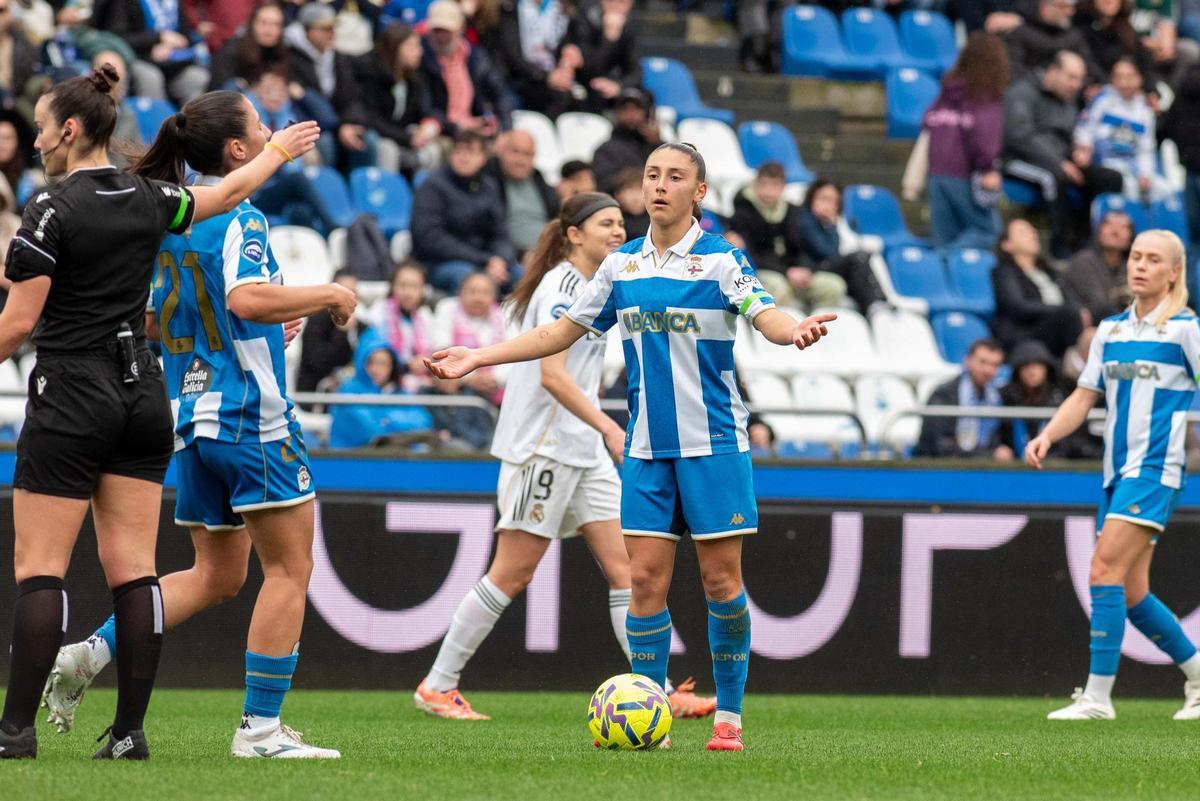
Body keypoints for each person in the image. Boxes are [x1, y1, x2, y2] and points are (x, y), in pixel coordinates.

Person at [423, 142, 836, 752]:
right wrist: (481, 354)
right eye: (651, 176)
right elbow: (560, 331)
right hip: (644, 449)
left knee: (721, 584)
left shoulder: (722, 261)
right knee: (643, 581)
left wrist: (791, 330)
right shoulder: (621, 268)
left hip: (714, 445)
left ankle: (730, 719)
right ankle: (653, 718)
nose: (660, 185)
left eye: (675, 177)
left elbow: (765, 313)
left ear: (699, 192)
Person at [0, 67, 320, 761]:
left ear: (66, 128)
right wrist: (322, 293)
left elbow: (109, 312)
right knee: (199, 570)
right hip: (198, 406)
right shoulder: (164, 202)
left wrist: (275, 312)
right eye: (258, 128)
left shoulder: (63, 208)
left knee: (194, 572)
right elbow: (241, 293)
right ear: (236, 150)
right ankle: (213, 730)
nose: (35, 137)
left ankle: (37, 706)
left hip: (161, 405)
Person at [415, 191, 716, 722]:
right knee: (511, 573)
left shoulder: (599, 283)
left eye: (621, 223)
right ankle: (437, 686)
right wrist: (607, 427)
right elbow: (553, 375)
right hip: (545, 448)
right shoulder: (563, 284)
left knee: (629, 571)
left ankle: (658, 689)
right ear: (574, 234)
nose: (618, 232)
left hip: (580, 451)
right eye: (606, 224)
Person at [1027, 229, 1200, 721]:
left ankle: (1098, 698)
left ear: (1173, 273)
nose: (1139, 266)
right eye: (1135, 257)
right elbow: (1084, 397)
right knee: (1131, 592)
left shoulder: (1186, 330)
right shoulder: (1111, 331)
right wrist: (1049, 436)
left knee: (1102, 570)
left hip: (1156, 471)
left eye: (1152, 260)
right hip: (1116, 473)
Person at [1002, 50, 1125, 257]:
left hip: (1060, 159)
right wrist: (1058, 162)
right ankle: (1060, 248)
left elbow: (1071, 135)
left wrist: (1079, 151)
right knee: (1053, 177)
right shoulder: (1022, 92)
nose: (1076, 85)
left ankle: (1088, 244)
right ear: (1053, 71)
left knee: (1110, 178)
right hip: (1019, 159)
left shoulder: (1069, 101)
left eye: (1079, 79)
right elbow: (1019, 137)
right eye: (1071, 77)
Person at [922, 32, 1008, 251]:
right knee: (990, 232)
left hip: (936, 173)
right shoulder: (986, 95)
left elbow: (927, 121)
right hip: (963, 175)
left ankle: (942, 264)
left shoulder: (946, 91)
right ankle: (944, 259)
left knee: (944, 240)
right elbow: (984, 136)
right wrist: (988, 167)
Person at [727, 161, 846, 310]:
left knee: (833, 286)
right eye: (764, 185)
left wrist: (804, 270)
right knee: (779, 287)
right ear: (756, 184)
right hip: (761, 272)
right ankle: (781, 332)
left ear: (783, 187)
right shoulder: (742, 213)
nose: (769, 192)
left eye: (774, 186)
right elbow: (749, 254)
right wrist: (786, 272)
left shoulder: (792, 212)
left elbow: (800, 247)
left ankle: (815, 329)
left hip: (792, 272)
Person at [411, 130, 518, 293]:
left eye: (471, 152)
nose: (464, 157)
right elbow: (430, 238)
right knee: (470, 280)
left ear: (483, 158)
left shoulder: (490, 187)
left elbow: (501, 234)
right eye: (459, 151)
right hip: (441, 263)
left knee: (522, 276)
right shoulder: (432, 186)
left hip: (486, 261)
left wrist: (500, 260)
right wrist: (484, 260)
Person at [285, 3, 375, 172]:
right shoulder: (290, 59)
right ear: (308, 30)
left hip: (337, 122)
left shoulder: (337, 57)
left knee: (368, 139)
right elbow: (304, 107)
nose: (331, 33)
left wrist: (348, 123)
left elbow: (351, 97)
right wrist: (338, 127)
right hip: (309, 125)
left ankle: (362, 192)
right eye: (325, 29)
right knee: (324, 142)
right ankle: (329, 193)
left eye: (333, 28)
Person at [1074, 57, 1173, 200]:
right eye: (1118, 77)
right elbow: (1084, 128)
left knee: (1165, 192)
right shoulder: (1102, 99)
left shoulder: (1145, 110)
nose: (1123, 82)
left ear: (1139, 78)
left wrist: (1145, 174)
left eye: (1129, 77)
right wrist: (1084, 149)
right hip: (1104, 163)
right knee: (1129, 190)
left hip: (1132, 167)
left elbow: (1146, 148)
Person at [353, 23, 439, 177]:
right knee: (388, 149)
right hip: (379, 137)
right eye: (412, 47)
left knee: (432, 150)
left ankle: (425, 196)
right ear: (395, 48)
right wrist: (408, 138)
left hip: (403, 135)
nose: (419, 52)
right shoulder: (371, 75)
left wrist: (427, 128)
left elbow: (423, 112)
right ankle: (388, 197)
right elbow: (372, 119)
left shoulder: (414, 79)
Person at [992, 218, 1087, 357]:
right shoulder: (1004, 271)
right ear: (1007, 245)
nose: (1033, 234)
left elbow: (1070, 295)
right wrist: (1062, 310)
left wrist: (1080, 310)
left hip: (1062, 324)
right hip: (1027, 331)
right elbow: (1018, 307)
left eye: (1032, 230)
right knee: (1069, 315)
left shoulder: (1049, 271)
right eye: (1023, 232)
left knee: (1102, 313)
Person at [420, 0, 513, 137]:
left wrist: (503, 126)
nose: (441, 37)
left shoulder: (476, 57)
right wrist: (456, 126)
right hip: (443, 131)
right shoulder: (422, 60)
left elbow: (500, 94)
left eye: (446, 31)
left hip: (476, 126)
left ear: (460, 28)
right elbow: (425, 107)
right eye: (436, 30)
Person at [92, 0, 211, 106]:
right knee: (151, 77)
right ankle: (156, 127)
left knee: (197, 77)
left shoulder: (174, 3)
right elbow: (118, 38)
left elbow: (186, 36)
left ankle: (191, 127)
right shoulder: (123, 3)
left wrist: (170, 46)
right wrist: (157, 38)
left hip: (173, 62)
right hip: (139, 57)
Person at [796, 179, 888, 314]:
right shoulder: (804, 220)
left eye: (834, 202)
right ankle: (872, 304)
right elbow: (826, 251)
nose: (828, 205)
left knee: (862, 258)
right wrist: (832, 226)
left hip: (822, 266)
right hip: (809, 269)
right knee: (857, 259)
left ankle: (876, 302)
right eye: (824, 199)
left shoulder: (824, 224)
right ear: (812, 198)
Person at [329, 331, 434, 448]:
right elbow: (370, 430)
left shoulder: (397, 391)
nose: (376, 369)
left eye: (383, 364)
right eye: (371, 363)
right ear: (361, 363)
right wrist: (399, 425)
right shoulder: (348, 389)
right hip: (352, 457)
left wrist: (386, 419)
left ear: (392, 367)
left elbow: (423, 421)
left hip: (391, 457)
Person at [914, 338, 1012, 459]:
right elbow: (940, 447)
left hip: (981, 469)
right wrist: (988, 455)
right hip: (938, 468)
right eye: (982, 362)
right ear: (967, 361)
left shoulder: (996, 397)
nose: (988, 370)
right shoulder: (944, 395)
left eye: (995, 365)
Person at [495, 0, 579, 119]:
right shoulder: (510, 8)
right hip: (522, 78)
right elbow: (512, 55)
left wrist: (566, 66)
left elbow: (568, 45)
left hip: (554, 74)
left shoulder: (562, 7)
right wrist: (547, 77)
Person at [488, 129, 559, 256]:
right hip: (512, 257)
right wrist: (520, 254)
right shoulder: (488, 181)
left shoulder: (539, 180)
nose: (521, 160)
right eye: (515, 152)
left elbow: (557, 218)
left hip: (550, 253)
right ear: (500, 151)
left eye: (527, 154)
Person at [368, 260, 436, 393]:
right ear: (392, 286)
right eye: (403, 285)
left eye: (415, 286)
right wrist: (407, 366)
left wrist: (426, 361)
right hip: (387, 381)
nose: (408, 293)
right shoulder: (379, 311)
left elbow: (433, 350)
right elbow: (375, 352)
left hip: (421, 382)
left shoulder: (425, 315)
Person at [296, 267, 364, 393]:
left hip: (354, 395)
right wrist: (341, 333)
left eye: (352, 292)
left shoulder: (363, 327)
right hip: (318, 397)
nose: (346, 299)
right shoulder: (316, 323)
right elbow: (318, 364)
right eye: (342, 293)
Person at [568, 0, 640, 112]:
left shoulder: (629, 26)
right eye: (611, 1)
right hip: (587, 83)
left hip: (615, 83)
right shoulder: (586, 20)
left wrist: (619, 86)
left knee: (640, 98)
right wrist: (608, 40)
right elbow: (588, 70)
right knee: (597, 93)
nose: (615, 6)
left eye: (621, 2)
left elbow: (635, 71)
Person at [1006, 0, 1103, 82]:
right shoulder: (1020, 32)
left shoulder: (1073, 36)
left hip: (1068, 97)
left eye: (1071, 7)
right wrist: (1046, 81)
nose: (1069, 12)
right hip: (1030, 92)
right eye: (1063, 7)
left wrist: (1094, 84)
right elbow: (1014, 69)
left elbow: (1090, 68)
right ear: (1045, 7)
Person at [1065, 209, 1135, 321]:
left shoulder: (1132, 265)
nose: (1115, 231)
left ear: (1131, 237)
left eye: (1123, 227)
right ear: (1098, 231)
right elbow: (1099, 307)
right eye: (1109, 224)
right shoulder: (1083, 261)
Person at [1075, 0, 1160, 91]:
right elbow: (1088, 63)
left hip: (1129, 92)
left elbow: (1144, 61)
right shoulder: (1080, 28)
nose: (1109, 1)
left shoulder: (1126, 29)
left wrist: (1151, 90)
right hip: (1096, 90)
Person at [591, 87, 659, 195]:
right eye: (625, 109)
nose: (631, 114)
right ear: (616, 114)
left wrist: (656, 145)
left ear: (646, 114)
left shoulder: (658, 147)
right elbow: (602, 184)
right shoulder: (606, 150)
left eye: (636, 109)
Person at [207, 1, 288, 91]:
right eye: (263, 23)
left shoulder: (284, 54)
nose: (269, 30)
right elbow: (219, 91)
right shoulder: (232, 50)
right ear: (252, 24)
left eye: (276, 25)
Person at [611, 166, 648, 239]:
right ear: (617, 195)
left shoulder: (660, 221)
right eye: (629, 190)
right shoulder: (612, 225)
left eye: (640, 190)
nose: (635, 197)